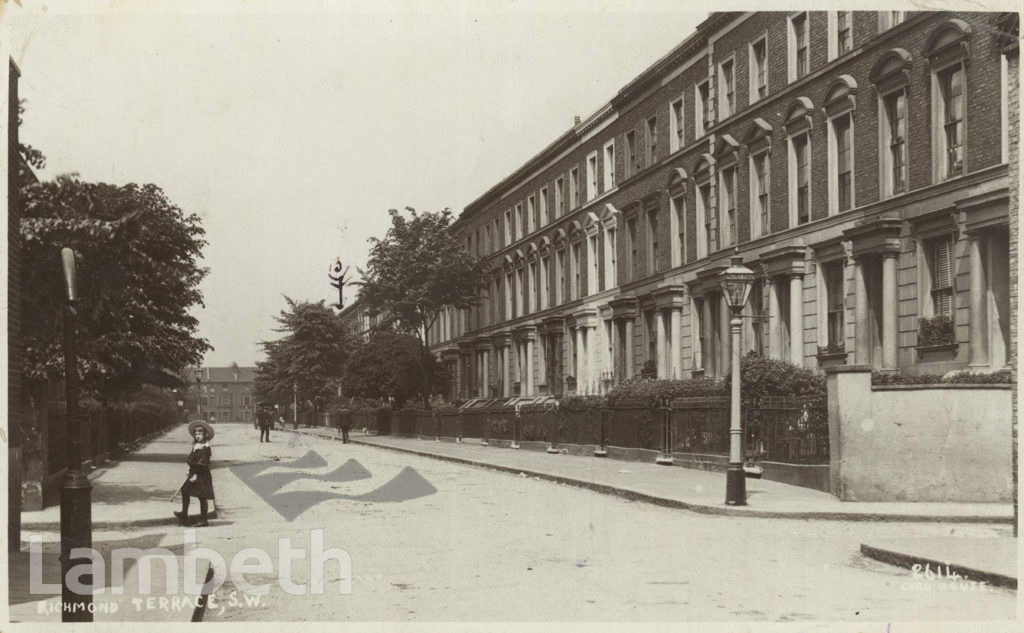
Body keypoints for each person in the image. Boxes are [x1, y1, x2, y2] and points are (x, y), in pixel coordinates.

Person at [174, 420, 215, 527]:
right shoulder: (197, 445)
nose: (197, 436)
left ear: (205, 434)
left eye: (200, 434)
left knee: (202, 496)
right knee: (185, 490)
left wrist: (195, 474)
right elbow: (190, 460)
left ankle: (204, 520)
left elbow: (202, 463)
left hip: (202, 474)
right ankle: (184, 514)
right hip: (194, 472)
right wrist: (190, 471)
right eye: (196, 434)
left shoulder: (205, 447)